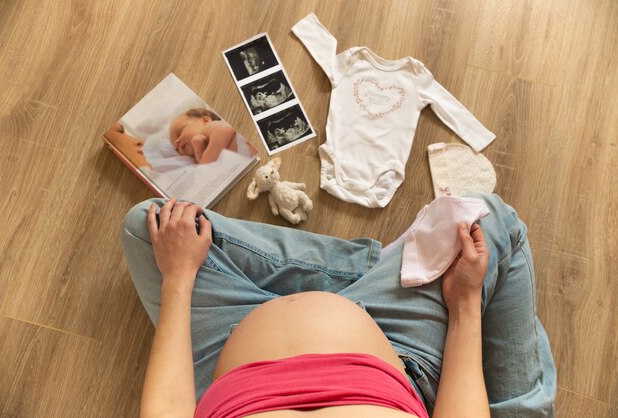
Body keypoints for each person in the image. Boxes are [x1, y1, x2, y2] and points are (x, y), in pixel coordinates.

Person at [120, 193, 556, 418]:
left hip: (227, 358)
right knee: (486, 219)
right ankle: (384, 270)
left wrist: (179, 277)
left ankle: (378, 269)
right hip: (397, 355)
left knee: (151, 224)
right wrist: (463, 305)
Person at [169, 108, 239, 164]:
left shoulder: (209, 127)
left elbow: (225, 129)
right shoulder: (201, 155)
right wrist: (199, 150)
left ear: (206, 120)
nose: (176, 142)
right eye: (177, 149)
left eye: (180, 132)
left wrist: (205, 163)